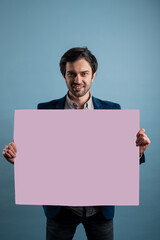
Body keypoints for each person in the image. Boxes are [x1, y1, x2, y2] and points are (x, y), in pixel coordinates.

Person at [2, 47, 151, 240]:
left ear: (93, 75)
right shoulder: (45, 111)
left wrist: (137, 152)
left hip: (100, 211)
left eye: (84, 73)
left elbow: (119, 164)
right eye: (71, 73)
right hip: (60, 211)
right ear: (64, 75)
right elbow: (41, 161)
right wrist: (18, 159)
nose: (77, 80)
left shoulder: (113, 111)